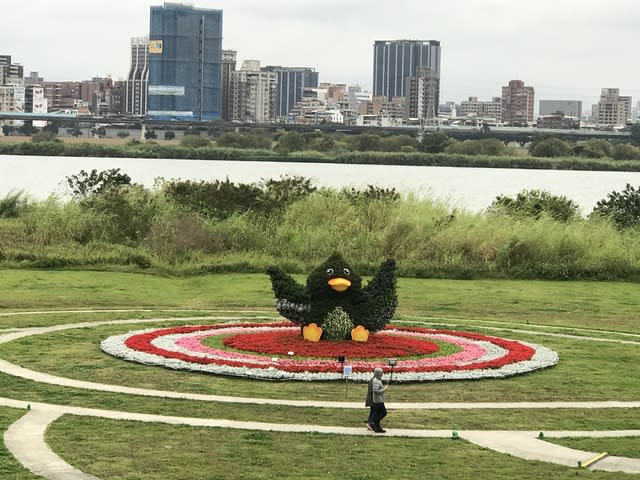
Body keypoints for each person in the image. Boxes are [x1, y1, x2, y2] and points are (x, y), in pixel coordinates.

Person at [365, 367, 387, 433]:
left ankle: (377, 428)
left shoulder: (376, 380)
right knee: (383, 412)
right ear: (378, 373)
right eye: (381, 373)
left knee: (376, 413)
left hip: (377, 400)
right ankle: (373, 422)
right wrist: (384, 389)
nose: (382, 374)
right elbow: (376, 391)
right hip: (377, 401)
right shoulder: (376, 381)